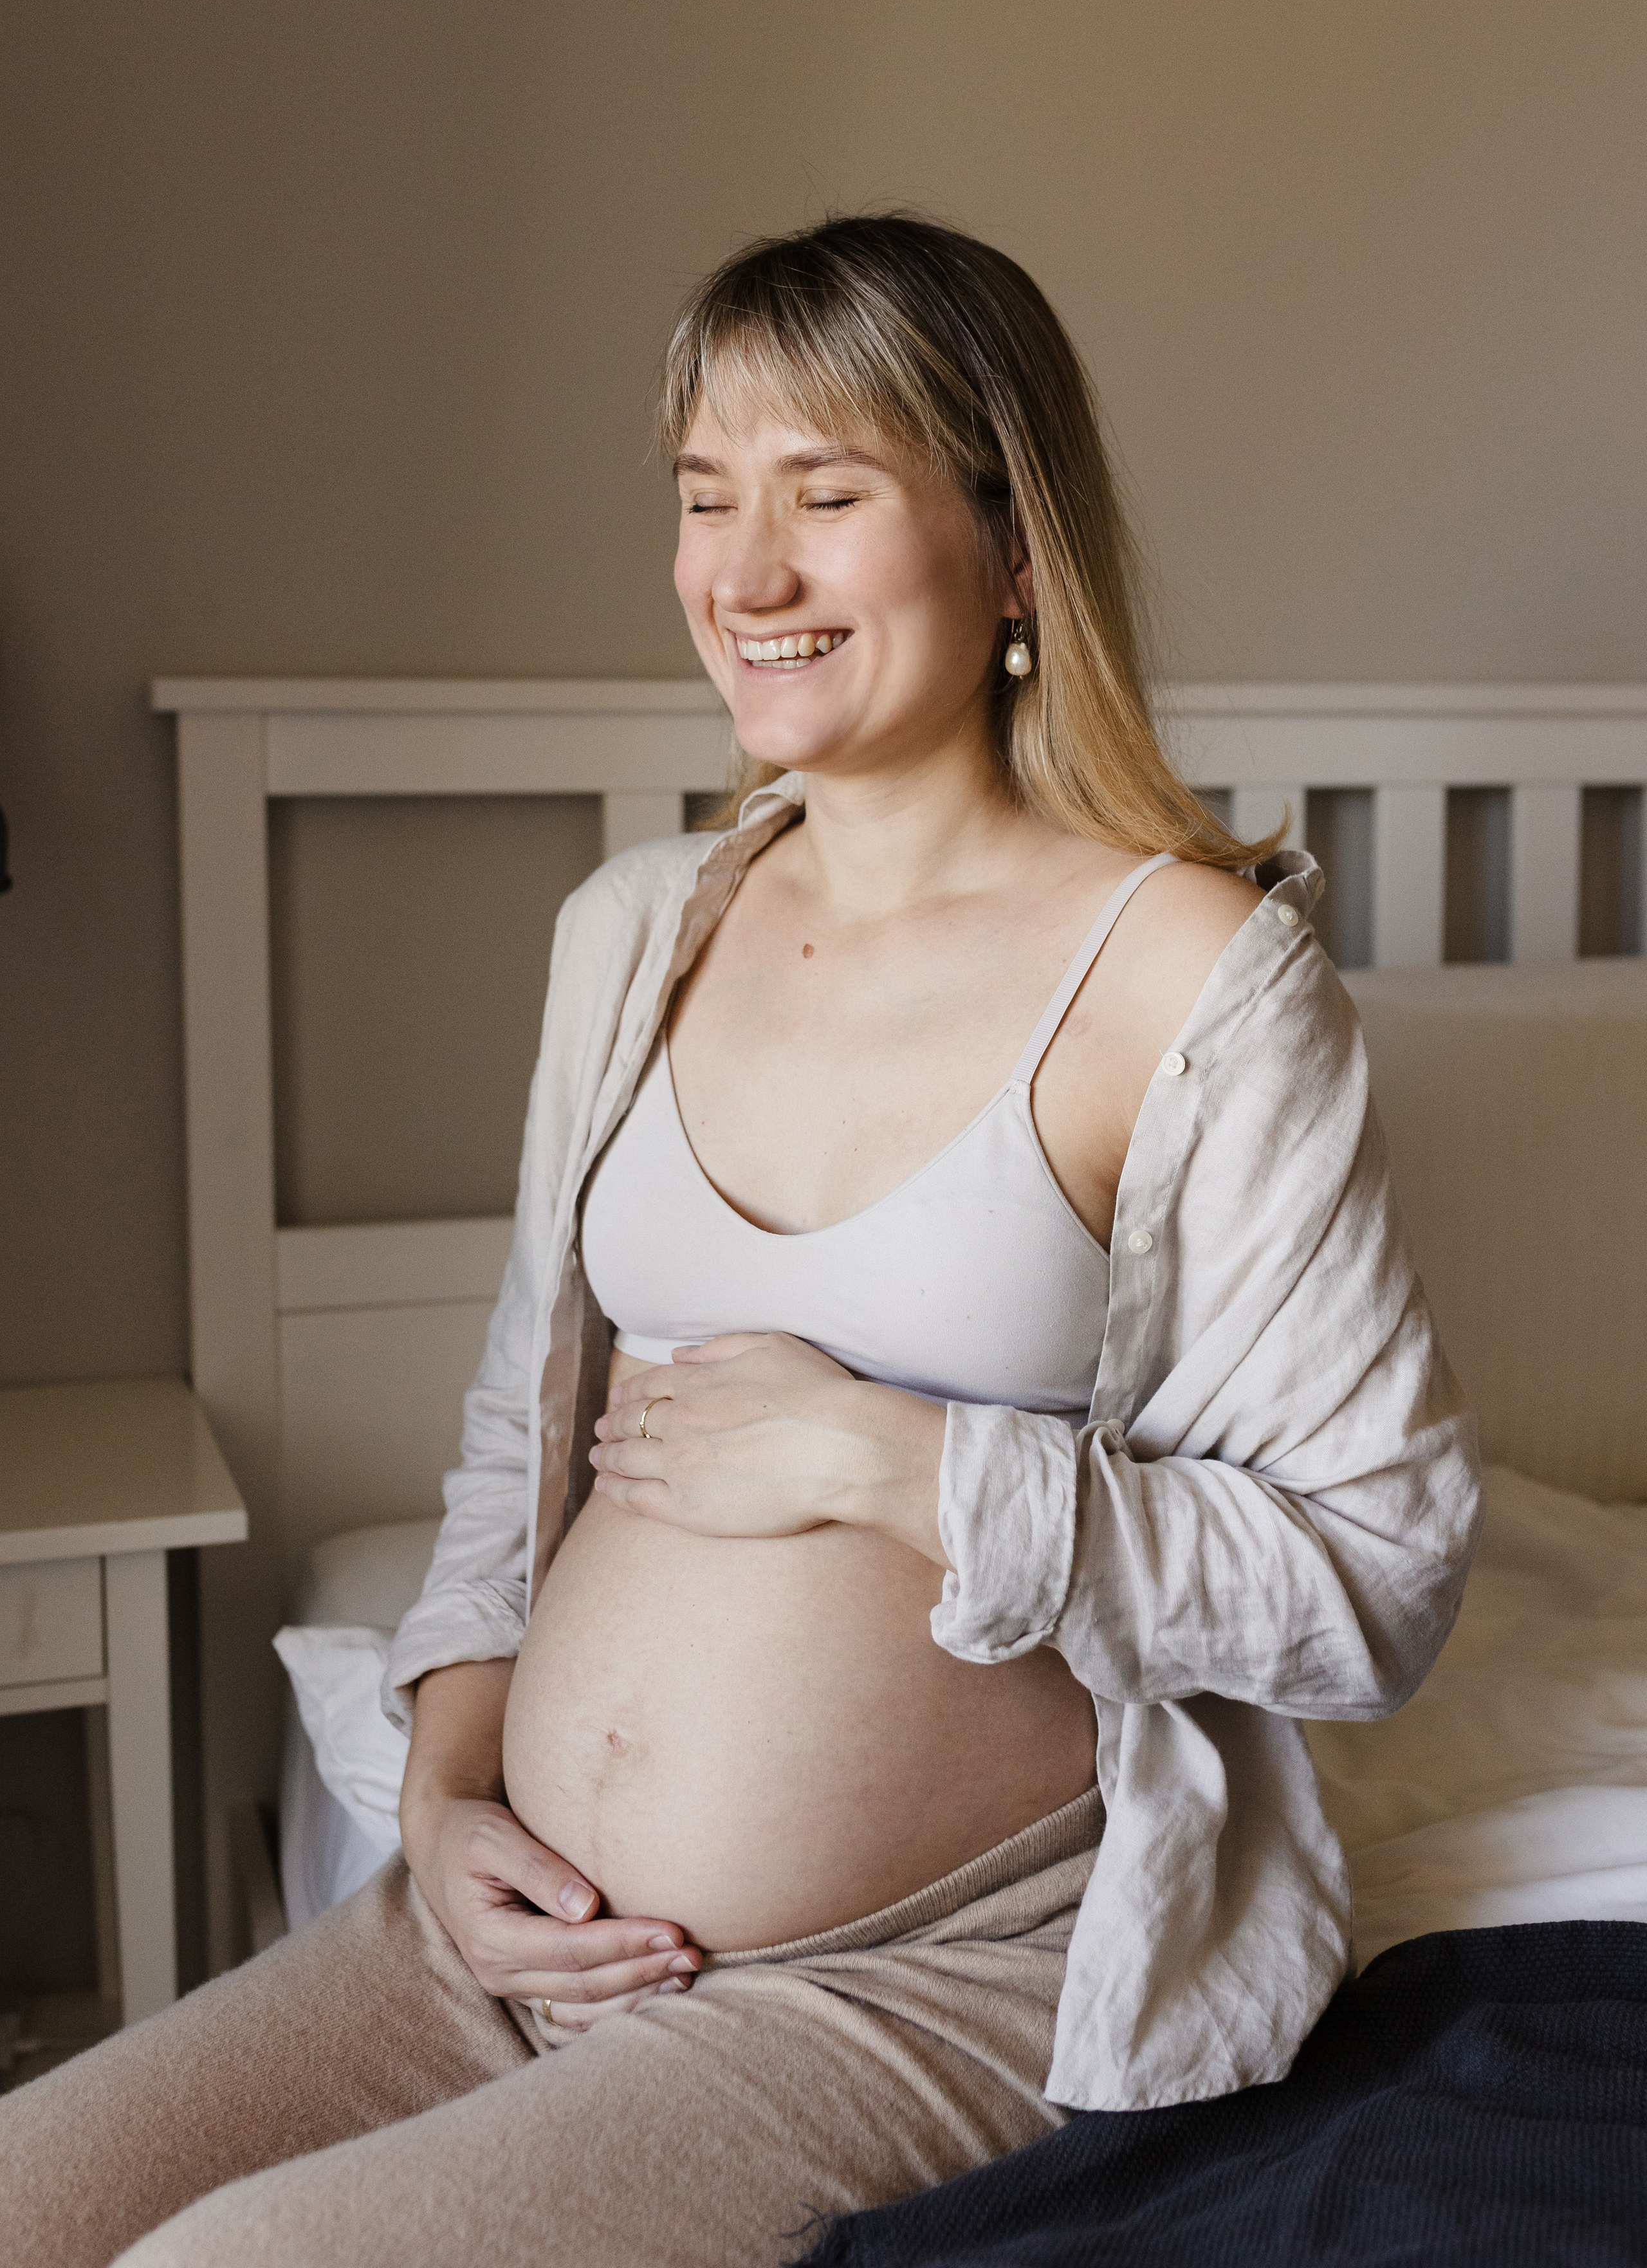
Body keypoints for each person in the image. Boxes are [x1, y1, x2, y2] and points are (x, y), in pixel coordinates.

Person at [1, 214, 1480, 2268]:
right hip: (500, 1932)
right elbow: (515, 1448)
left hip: (922, 1972)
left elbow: (1379, 1575)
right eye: (709, 498)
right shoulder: (635, 933)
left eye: (829, 494)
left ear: (1016, 542)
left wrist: (895, 1460)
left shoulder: (1196, 982)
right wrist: (442, 1802)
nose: (747, 575)